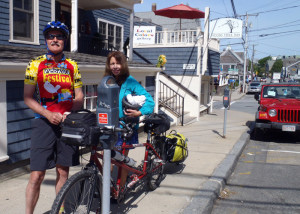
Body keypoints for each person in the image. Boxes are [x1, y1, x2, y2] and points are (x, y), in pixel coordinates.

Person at [24, 21, 84, 214]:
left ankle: (61, 210)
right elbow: (27, 98)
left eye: (59, 36)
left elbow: (80, 97)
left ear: (65, 40)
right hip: (42, 123)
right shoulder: (35, 64)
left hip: (67, 123)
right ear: (46, 40)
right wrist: (47, 113)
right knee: (37, 175)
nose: (55, 39)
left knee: (63, 172)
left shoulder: (72, 65)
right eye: (51, 36)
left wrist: (70, 110)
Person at [104, 51, 155, 189]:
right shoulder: (107, 80)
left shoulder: (130, 81)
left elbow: (149, 101)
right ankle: (106, 188)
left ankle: (119, 190)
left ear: (123, 64)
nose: (115, 66)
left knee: (121, 159)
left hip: (125, 126)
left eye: (118, 63)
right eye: (112, 63)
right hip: (109, 125)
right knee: (107, 156)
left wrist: (139, 112)